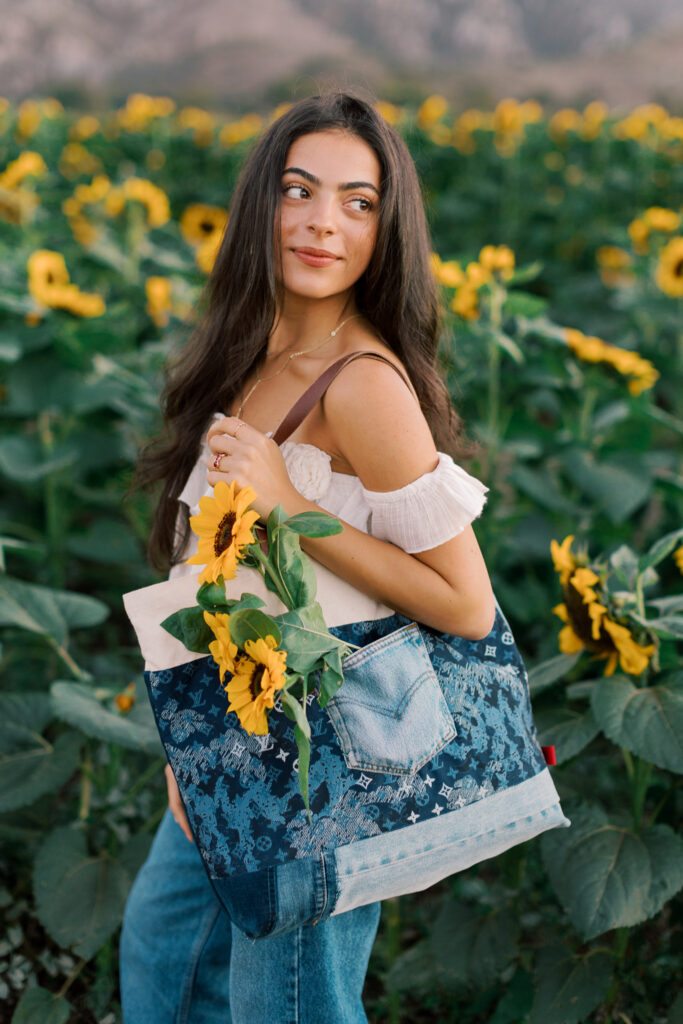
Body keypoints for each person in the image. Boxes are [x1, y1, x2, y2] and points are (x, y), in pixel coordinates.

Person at [119, 91, 495, 1024]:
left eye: (359, 202)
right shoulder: (251, 354)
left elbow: (466, 604)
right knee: (164, 954)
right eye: (299, 190)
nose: (324, 221)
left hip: (318, 763)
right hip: (233, 743)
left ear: (385, 228)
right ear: (262, 205)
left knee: (285, 1005)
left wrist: (292, 504)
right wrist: (194, 742)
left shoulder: (362, 386)